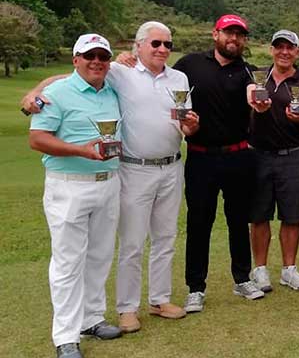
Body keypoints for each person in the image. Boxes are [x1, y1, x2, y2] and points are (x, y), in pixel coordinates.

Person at [20, 22, 200, 334]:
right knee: (132, 242)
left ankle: (159, 299)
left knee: (165, 238)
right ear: (139, 46)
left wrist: (191, 127)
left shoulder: (179, 78)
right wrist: (34, 91)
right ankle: (127, 308)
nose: (162, 50)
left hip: (172, 166)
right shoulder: (120, 70)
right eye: (156, 43)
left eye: (168, 45)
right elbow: (67, 78)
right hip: (134, 168)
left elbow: (184, 125)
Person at [29, 34, 124, 358]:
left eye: (102, 55)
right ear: (76, 59)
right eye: (89, 56)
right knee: (68, 262)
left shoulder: (111, 89)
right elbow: (37, 139)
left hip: (108, 182)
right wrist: (81, 150)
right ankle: (65, 336)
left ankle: (91, 318)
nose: (97, 61)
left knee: (99, 256)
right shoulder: (55, 94)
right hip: (69, 185)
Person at [174, 14, 265, 311]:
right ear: (215, 34)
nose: (234, 39)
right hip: (200, 157)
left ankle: (242, 278)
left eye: (239, 35)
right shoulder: (189, 65)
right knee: (199, 222)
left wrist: (257, 100)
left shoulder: (248, 72)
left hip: (239, 156)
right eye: (229, 33)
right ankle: (195, 288)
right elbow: (165, 87)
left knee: (238, 220)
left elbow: (255, 92)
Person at [247, 30, 299, 293]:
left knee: (292, 215)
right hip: (258, 154)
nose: (284, 52)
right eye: (279, 47)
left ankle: (289, 269)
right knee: (259, 215)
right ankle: (260, 269)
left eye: (290, 48)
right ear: (272, 50)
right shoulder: (256, 79)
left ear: (297, 52)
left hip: (292, 154)